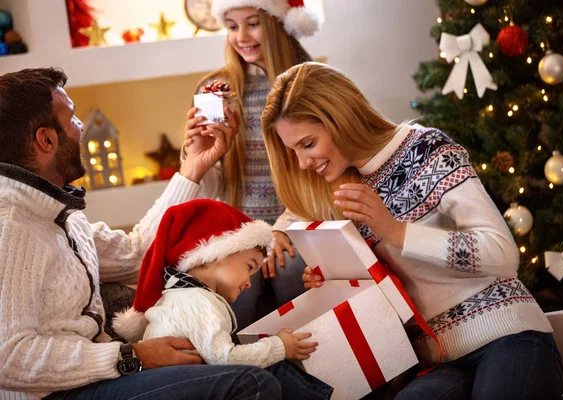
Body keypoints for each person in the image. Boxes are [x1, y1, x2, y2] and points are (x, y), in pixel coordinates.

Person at [261, 62, 563, 399]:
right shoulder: (344, 188)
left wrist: (396, 232)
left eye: (307, 144)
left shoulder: (428, 148)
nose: (303, 163)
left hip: (508, 335)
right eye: (294, 151)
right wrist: (335, 285)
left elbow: (503, 253)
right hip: (439, 360)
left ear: (339, 118)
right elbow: (396, 298)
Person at [0, 67, 282, 399]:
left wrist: (192, 167)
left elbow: (136, 254)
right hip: (57, 393)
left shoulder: (63, 217)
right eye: (72, 119)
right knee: (250, 384)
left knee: (268, 361)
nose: (81, 126)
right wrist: (132, 356)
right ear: (46, 140)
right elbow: (9, 357)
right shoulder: (11, 227)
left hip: (102, 375)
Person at [182, 0, 322, 328]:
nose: (241, 36)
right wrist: (198, 155)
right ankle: (243, 369)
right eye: (231, 26)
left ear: (277, 23)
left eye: (252, 23)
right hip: (237, 228)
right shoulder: (217, 91)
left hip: (298, 220)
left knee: (291, 269)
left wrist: (281, 230)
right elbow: (212, 189)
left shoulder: (309, 84)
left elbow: (322, 170)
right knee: (236, 285)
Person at [113, 199, 333, 400]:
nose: (248, 282)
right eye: (249, 267)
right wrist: (279, 347)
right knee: (271, 365)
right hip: (180, 387)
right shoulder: (196, 301)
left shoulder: (180, 296)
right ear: (216, 254)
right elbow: (224, 359)